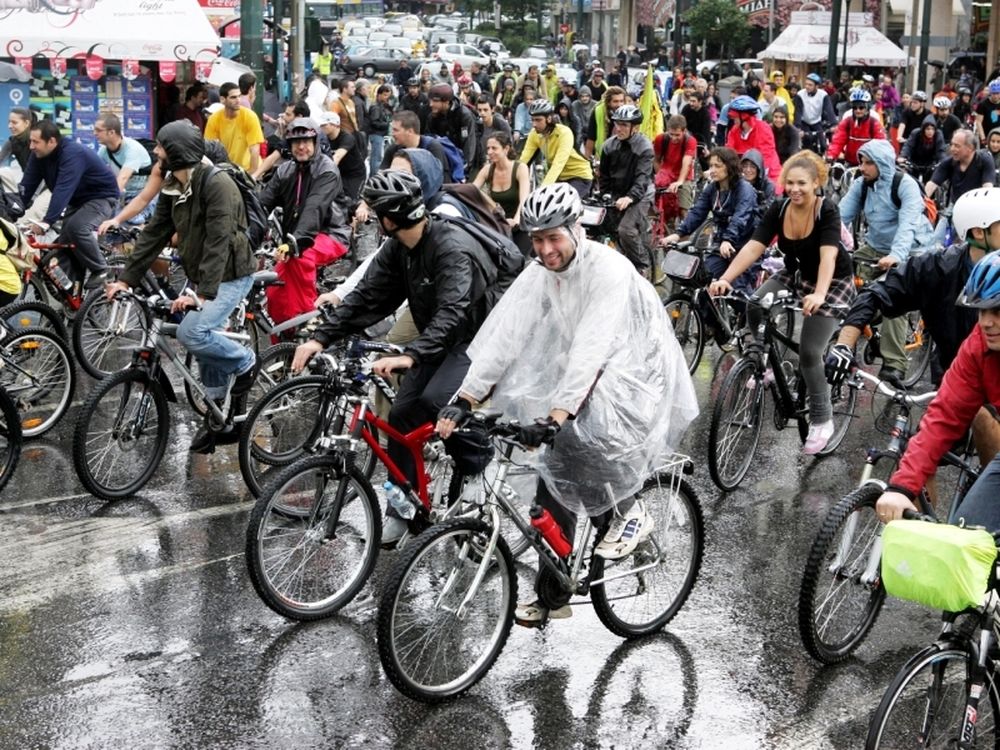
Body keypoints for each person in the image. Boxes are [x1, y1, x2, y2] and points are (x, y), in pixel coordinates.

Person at [434, 182, 698, 625]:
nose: (545, 249)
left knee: (583, 441)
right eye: (536, 240)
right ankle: (554, 595)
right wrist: (466, 397)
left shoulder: (608, 270)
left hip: (636, 366)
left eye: (553, 237)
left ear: (577, 230)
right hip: (588, 366)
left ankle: (631, 516)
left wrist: (557, 416)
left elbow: (593, 349)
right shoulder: (541, 271)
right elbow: (506, 336)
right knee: (551, 476)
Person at [291, 169, 509, 545]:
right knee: (404, 414)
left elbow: (453, 311)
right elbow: (368, 295)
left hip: (479, 337)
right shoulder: (400, 247)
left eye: (374, 212)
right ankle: (402, 507)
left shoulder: (451, 247)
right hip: (441, 338)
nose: (373, 218)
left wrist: (412, 355)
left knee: (437, 400)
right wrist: (320, 339)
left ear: (388, 219)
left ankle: (477, 466)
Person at [105, 121, 257, 453]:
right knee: (201, 338)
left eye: (161, 147)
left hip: (231, 273)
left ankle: (245, 362)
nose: (156, 152)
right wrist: (125, 279)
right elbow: (155, 233)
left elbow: (219, 244)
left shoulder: (219, 185)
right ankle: (218, 417)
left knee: (192, 333)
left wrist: (202, 295)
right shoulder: (176, 183)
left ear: (177, 153)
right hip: (204, 275)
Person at [709, 150, 856, 454]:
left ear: (816, 183)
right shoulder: (779, 208)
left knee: (810, 352)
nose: (795, 189)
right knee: (754, 303)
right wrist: (726, 277)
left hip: (833, 281)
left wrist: (819, 294)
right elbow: (753, 247)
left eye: (802, 183)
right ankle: (766, 362)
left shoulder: (826, 210)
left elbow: (829, 255)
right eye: (790, 183)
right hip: (797, 273)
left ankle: (822, 419)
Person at [828, 187, 1000, 399]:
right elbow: (876, 294)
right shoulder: (937, 267)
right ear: (978, 232)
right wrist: (843, 346)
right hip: (955, 381)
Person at [874, 251, 1000, 528]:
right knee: (966, 535)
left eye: (998, 311)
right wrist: (902, 487)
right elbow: (944, 417)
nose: (986, 322)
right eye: (981, 310)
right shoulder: (978, 346)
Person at [836, 139, 936, 384]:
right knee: (842, 278)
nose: (862, 167)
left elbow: (907, 227)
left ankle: (895, 363)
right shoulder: (861, 185)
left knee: (894, 297)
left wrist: (896, 257)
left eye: (869, 163)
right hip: (876, 247)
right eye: (861, 161)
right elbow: (838, 219)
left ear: (882, 163)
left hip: (912, 249)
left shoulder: (906, 186)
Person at [257, 118, 351, 325]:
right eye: (296, 142)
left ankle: (312, 321)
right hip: (294, 241)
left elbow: (313, 209)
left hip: (330, 235)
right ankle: (284, 345)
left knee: (302, 257)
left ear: (316, 142)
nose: (301, 146)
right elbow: (262, 205)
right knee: (273, 290)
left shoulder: (327, 170)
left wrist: (295, 242)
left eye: (307, 141)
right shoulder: (285, 170)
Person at [18, 119, 120, 288]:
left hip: (101, 197)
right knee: (64, 250)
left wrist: (47, 221)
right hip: (77, 201)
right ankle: (74, 301)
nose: (31, 146)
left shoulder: (72, 153)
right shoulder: (39, 155)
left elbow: (63, 188)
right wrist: (11, 211)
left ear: (52, 141)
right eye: (30, 141)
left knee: (77, 228)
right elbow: (26, 187)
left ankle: (101, 269)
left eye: (35, 142)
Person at [663, 146, 759, 317]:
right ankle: (712, 327)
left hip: (745, 247)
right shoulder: (712, 189)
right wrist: (678, 233)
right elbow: (697, 212)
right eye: (711, 166)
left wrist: (729, 239)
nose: (712, 170)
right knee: (702, 283)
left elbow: (741, 217)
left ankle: (755, 327)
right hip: (721, 245)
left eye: (717, 166)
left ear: (729, 167)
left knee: (736, 292)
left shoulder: (745, 189)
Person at [597, 104, 654, 275]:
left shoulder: (644, 148)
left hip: (640, 193)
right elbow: (604, 176)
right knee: (602, 225)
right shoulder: (608, 146)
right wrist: (603, 194)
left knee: (626, 230)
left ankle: (642, 266)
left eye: (624, 125)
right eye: (617, 124)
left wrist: (630, 197)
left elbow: (642, 179)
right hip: (618, 192)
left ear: (635, 128)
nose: (618, 128)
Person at [519, 99, 593, 198]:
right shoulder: (534, 134)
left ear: (549, 118)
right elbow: (523, 160)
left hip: (579, 176)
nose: (534, 124)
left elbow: (558, 164)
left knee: (563, 204)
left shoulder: (564, 133)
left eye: (538, 120)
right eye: (532, 120)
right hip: (559, 178)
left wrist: (542, 190)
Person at [94, 113, 153, 220]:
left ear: (111, 132)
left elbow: (122, 179)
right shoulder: (103, 151)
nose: (95, 133)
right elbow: (93, 173)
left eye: (98, 130)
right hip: (124, 194)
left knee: (130, 220)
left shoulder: (132, 149)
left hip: (142, 195)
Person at [473, 131, 530, 231]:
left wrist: (516, 221)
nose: (489, 152)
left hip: (519, 222)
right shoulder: (487, 169)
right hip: (498, 224)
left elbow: (524, 201)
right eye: (488, 148)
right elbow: (471, 190)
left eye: (494, 148)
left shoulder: (520, 168)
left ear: (506, 149)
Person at [925, 129, 996, 207]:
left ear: (970, 148)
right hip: (956, 206)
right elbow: (931, 185)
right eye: (951, 144)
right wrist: (921, 203)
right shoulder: (948, 163)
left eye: (957, 146)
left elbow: (987, 189)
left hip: (978, 206)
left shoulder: (984, 160)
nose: (952, 149)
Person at [204, 82, 264, 172]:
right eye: (233, 97)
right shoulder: (214, 119)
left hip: (248, 169)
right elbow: (210, 149)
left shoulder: (250, 116)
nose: (238, 100)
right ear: (222, 99)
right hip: (227, 170)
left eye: (239, 96)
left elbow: (255, 150)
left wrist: (252, 175)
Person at [379, 110, 453, 184]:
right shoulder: (393, 149)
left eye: (396, 130)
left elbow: (438, 179)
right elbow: (382, 175)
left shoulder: (432, 148)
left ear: (410, 131)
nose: (392, 134)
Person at [725, 95, 783, 186]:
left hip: (769, 175)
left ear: (744, 116)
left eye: (735, 117)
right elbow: (728, 152)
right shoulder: (734, 130)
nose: (733, 120)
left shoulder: (763, 129)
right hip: (745, 173)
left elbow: (766, 156)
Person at [652, 115, 698, 225]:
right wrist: (660, 175)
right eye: (671, 134)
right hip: (666, 175)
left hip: (684, 176)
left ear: (684, 131)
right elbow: (656, 160)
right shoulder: (661, 139)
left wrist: (680, 181)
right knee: (660, 209)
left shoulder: (690, 141)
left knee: (683, 211)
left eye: (677, 135)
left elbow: (686, 162)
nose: (673, 138)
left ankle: (684, 240)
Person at [426, 83, 477, 177]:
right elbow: (430, 142)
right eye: (430, 100)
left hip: (466, 164)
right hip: (445, 163)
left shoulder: (464, 115)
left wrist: (464, 169)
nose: (431, 104)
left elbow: (469, 145)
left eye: (435, 101)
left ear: (446, 102)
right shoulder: (432, 117)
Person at [826, 89, 886, 166]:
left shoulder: (874, 123)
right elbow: (838, 140)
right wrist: (831, 155)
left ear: (867, 108)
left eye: (861, 107)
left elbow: (881, 144)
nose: (858, 110)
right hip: (850, 162)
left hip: (869, 163)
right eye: (855, 107)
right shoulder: (847, 121)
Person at [316, 111, 366, 201]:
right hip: (338, 173)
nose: (321, 128)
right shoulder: (323, 138)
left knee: (350, 200)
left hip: (354, 175)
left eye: (324, 125)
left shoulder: (347, 138)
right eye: (321, 125)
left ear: (335, 125)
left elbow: (337, 157)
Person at [899, 115, 947, 181]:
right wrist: (903, 156)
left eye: (932, 129)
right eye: (928, 129)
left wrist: (943, 160)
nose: (930, 131)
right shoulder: (916, 133)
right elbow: (908, 146)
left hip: (931, 163)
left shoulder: (938, 134)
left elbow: (941, 150)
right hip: (915, 162)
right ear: (923, 129)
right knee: (911, 180)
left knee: (932, 181)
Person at [584, 86, 626, 160]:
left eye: (621, 101)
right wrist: (587, 160)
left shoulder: (628, 113)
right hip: (602, 156)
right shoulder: (598, 112)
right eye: (615, 101)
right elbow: (591, 138)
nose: (619, 105)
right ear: (608, 102)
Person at [740, 148, 777, 224]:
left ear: (759, 168)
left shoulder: (768, 186)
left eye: (752, 167)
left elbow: (768, 210)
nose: (748, 170)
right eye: (745, 166)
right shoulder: (739, 183)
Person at [367, 84, 393, 176]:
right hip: (376, 134)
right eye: (385, 95)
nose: (387, 97)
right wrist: (387, 125)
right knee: (376, 158)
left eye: (388, 95)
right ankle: (374, 177)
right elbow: (374, 122)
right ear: (379, 95)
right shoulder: (376, 107)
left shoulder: (383, 106)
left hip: (381, 135)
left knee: (378, 157)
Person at [974, 79, 1000, 143]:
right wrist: (983, 138)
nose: (996, 96)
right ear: (990, 93)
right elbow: (978, 122)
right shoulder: (983, 104)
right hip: (986, 134)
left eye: (997, 93)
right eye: (993, 93)